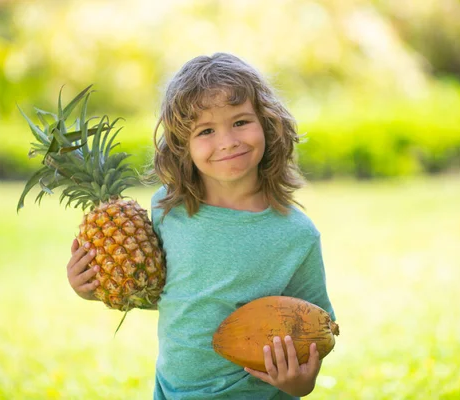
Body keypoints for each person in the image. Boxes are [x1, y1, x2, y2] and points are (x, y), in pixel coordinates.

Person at [67, 52, 336, 399]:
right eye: (206, 130)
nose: (227, 141)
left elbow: (319, 330)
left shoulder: (296, 235)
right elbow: (173, 295)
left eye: (240, 122)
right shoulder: (168, 208)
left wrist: (301, 383)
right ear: (183, 145)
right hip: (173, 390)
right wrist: (90, 288)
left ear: (268, 124)